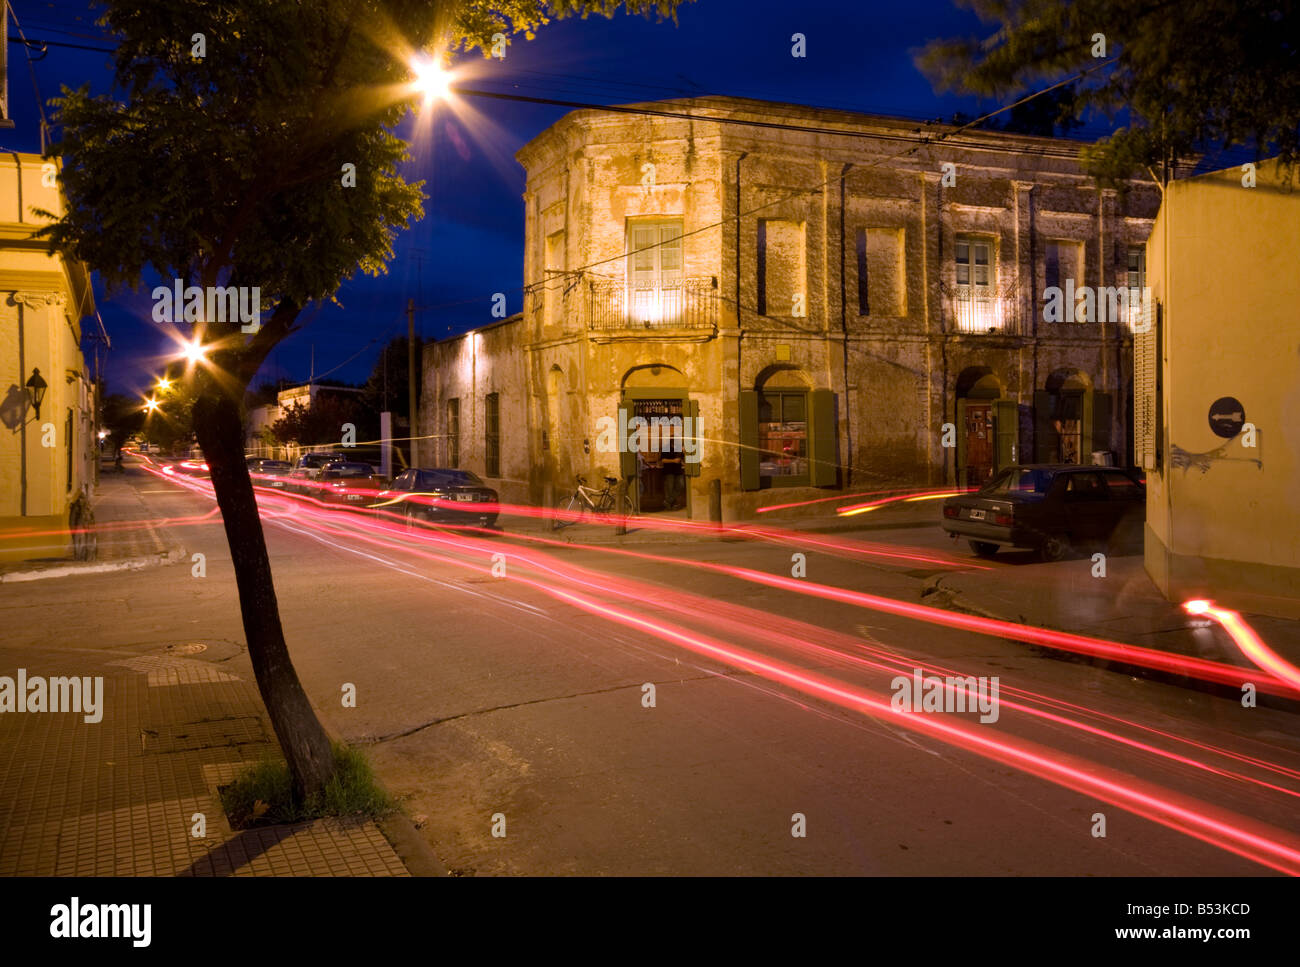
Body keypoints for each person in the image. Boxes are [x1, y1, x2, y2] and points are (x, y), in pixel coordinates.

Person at [661, 435, 685, 510]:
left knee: (681, 486)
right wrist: (673, 461)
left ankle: (667, 501)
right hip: (669, 471)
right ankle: (670, 505)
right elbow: (663, 460)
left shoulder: (679, 448)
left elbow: (681, 459)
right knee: (670, 489)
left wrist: (684, 452)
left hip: (678, 470)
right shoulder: (665, 448)